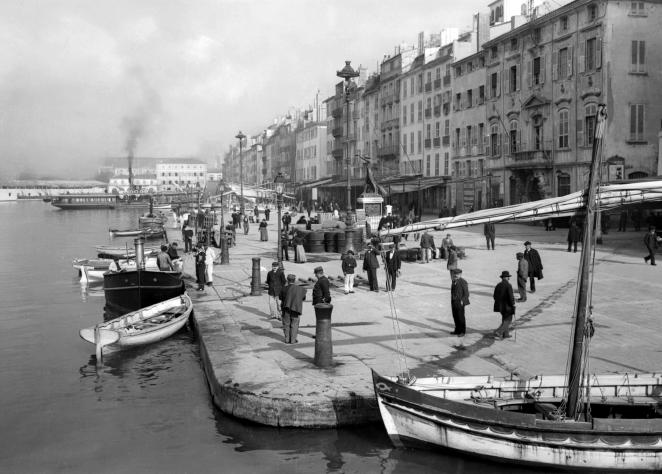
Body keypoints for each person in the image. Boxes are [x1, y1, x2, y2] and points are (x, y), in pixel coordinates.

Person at [281, 274, 306, 344]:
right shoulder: (299, 289)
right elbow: (303, 298)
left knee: (286, 324)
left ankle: (287, 339)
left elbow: (281, 297)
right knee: (294, 324)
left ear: (287, 280)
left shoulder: (284, 288)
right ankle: (293, 340)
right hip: (295, 309)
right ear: (294, 281)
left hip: (286, 308)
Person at [493, 270, 516, 339]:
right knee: (508, 320)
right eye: (508, 277)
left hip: (500, 307)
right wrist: (513, 303)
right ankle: (499, 332)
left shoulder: (498, 285)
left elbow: (494, 296)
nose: (509, 278)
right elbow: (511, 296)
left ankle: (506, 334)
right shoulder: (508, 285)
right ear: (507, 277)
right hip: (507, 306)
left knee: (504, 319)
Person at [449, 268, 470, 336]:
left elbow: (466, 293)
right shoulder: (454, 281)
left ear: (460, 274)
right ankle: (457, 330)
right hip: (454, 301)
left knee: (460, 317)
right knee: (455, 316)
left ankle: (462, 331)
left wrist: (462, 301)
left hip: (460, 302)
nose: (455, 275)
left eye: (457, 274)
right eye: (454, 274)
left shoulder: (463, 282)